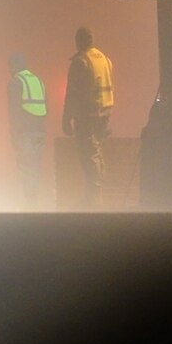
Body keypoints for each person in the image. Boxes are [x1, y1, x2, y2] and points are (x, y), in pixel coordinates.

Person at [63, 26, 115, 209]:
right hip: (104, 114)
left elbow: (72, 93)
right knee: (96, 150)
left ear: (79, 41)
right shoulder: (105, 59)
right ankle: (96, 193)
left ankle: (94, 198)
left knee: (88, 154)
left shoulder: (81, 61)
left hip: (87, 114)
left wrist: (66, 118)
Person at [7, 53, 49, 209]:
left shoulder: (15, 82)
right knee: (36, 166)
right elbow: (47, 109)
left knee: (26, 167)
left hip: (25, 133)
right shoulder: (39, 81)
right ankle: (35, 201)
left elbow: (14, 112)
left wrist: (13, 135)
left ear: (13, 66)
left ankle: (29, 205)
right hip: (40, 131)